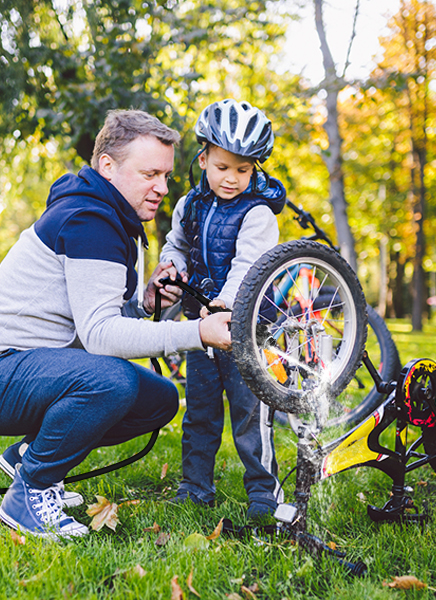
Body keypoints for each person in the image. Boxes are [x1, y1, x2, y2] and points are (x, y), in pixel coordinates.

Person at [0, 109, 234, 541]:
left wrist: (145, 301)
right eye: (150, 173)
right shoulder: (89, 220)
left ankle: (31, 455)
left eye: (167, 176)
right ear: (108, 166)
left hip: (27, 365)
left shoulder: (115, 216)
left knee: (159, 399)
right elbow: (100, 336)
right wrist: (197, 334)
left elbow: (95, 313)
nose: (161, 187)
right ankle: (31, 490)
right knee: (112, 381)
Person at [157, 99, 287, 521]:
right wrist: (170, 267)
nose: (231, 179)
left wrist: (226, 303)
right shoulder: (189, 206)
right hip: (201, 328)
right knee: (200, 412)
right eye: (222, 167)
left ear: (255, 169)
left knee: (251, 414)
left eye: (243, 170)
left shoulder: (258, 214)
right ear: (203, 158)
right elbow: (176, 245)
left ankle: (264, 494)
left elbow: (249, 265)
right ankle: (196, 487)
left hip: (245, 331)